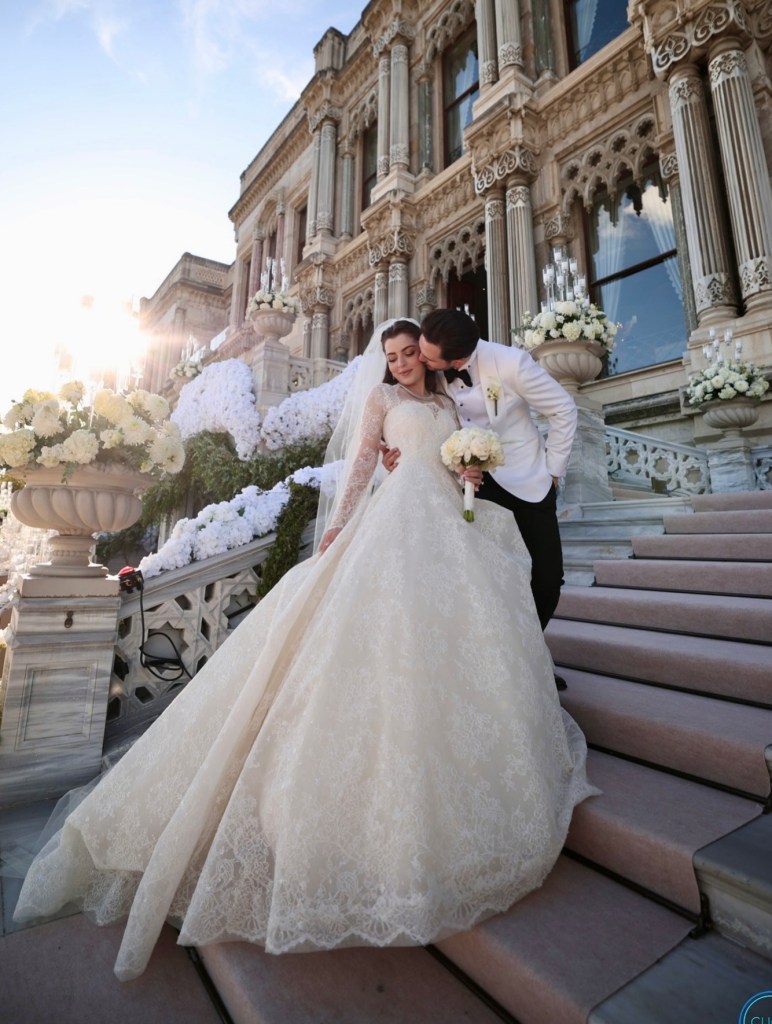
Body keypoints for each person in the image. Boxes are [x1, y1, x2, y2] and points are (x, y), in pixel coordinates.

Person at [12, 318, 597, 981]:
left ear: (428, 358)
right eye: (395, 355)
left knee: (468, 620)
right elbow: (364, 465)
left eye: (412, 355)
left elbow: (461, 449)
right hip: (393, 523)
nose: (404, 363)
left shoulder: (445, 402)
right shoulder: (381, 401)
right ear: (385, 362)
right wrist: (340, 525)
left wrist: (465, 464)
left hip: (445, 519)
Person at [385, 309, 577, 643]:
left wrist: (553, 470)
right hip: (472, 485)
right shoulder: (434, 372)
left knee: (547, 577)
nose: (422, 362)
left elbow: (564, 409)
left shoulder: (512, 363)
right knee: (486, 578)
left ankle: (529, 654)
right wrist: (393, 453)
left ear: (457, 361)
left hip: (528, 480)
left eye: (428, 358)